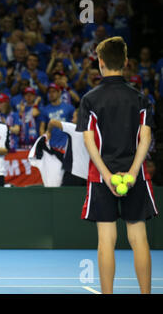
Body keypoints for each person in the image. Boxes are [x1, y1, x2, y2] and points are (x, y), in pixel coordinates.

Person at [76, 36, 158, 294]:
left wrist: (108, 175)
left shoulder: (90, 99)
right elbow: (146, 139)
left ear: (100, 63)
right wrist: (133, 173)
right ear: (125, 62)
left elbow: (89, 143)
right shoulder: (140, 98)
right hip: (136, 176)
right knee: (138, 238)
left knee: (106, 240)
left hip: (102, 178)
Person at [46, 108, 89, 186]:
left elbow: (52, 122)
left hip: (72, 173)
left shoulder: (73, 128)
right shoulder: (92, 132)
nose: (72, 120)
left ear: (80, 118)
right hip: (87, 174)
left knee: (66, 196)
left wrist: (48, 132)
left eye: (74, 117)